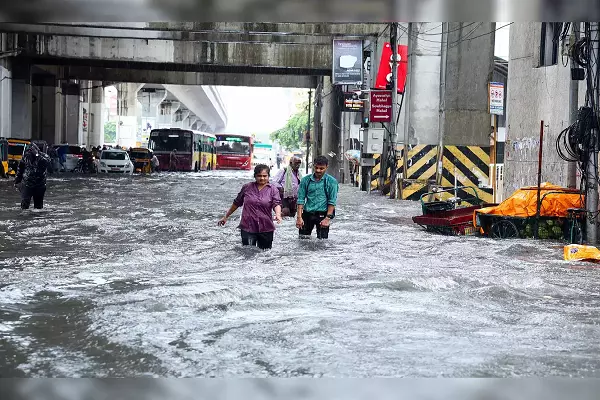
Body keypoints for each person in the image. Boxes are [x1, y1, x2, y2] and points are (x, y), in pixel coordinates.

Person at [218, 164, 282, 250]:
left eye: (264, 176)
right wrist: (226, 217)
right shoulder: (247, 187)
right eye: (259, 176)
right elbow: (237, 203)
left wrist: (278, 215)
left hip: (266, 227)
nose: (262, 178)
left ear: (268, 176)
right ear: (255, 176)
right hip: (248, 227)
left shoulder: (273, 189)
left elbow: (276, 203)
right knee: (248, 253)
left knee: (265, 255)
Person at [296, 155, 339, 239]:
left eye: (321, 168)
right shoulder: (305, 180)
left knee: (322, 242)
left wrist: (327, 218)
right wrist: (299, 218)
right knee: (302, 240)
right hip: (307, 214)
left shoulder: (332, 182)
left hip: (323, 214)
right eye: (316, 168)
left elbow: (332, 201)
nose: (318, 170)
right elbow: (300, 200)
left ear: (327, 167)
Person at [14, 143, 51, 210]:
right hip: (27, 184)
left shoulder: (43, 156)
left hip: (40, 185)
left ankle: (37, 218)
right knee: (24, 205)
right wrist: (17, 181)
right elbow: (20, 169)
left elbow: (46, 163)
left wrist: (37, 155)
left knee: (38, 207)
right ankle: (25, 218)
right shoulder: (26, 156)